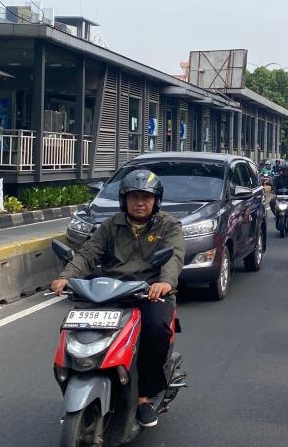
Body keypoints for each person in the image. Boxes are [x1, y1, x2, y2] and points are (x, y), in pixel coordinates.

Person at [50, 169, 185, 426]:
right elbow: (88, 254)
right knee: (73, 327)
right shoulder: (111, 225)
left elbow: (174, 256)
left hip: (150, 294)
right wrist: (66, 276)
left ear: (156, 200)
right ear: (124, 200)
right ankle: (75, 382)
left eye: (146, 197)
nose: (140, 202)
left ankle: (144, 397)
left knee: (155, 331)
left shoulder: (169, 225)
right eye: (134, 197)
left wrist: (165, 283)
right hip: (110, 292)